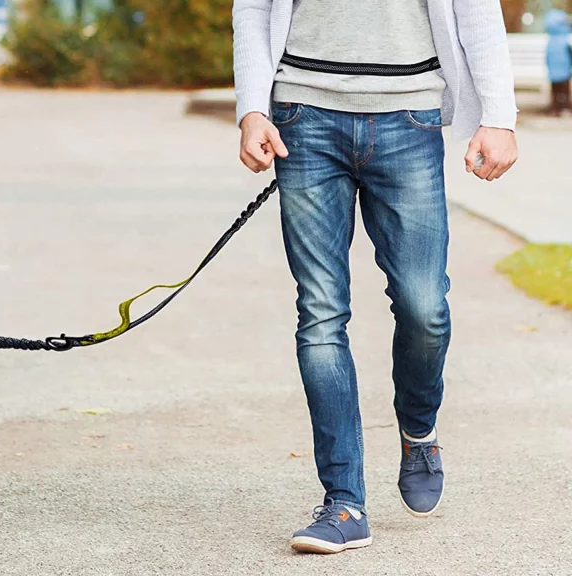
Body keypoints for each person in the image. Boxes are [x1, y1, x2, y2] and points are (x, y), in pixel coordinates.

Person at [232, 0, 518, 554]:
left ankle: (418, 429)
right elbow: (254, 9)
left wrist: (499, 116)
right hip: (303, 117)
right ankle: (344, 501)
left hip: (408, 119)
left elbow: (478, 12)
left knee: (424, 307)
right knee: (320, 313)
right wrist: (251, 108)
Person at [545, 8, 572, 117]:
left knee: (558, 91)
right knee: (563, 90)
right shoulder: (565, 39)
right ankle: (561, 107)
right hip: (563, 71)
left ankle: (557, 107)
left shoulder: (552, 40)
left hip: (557, 71)